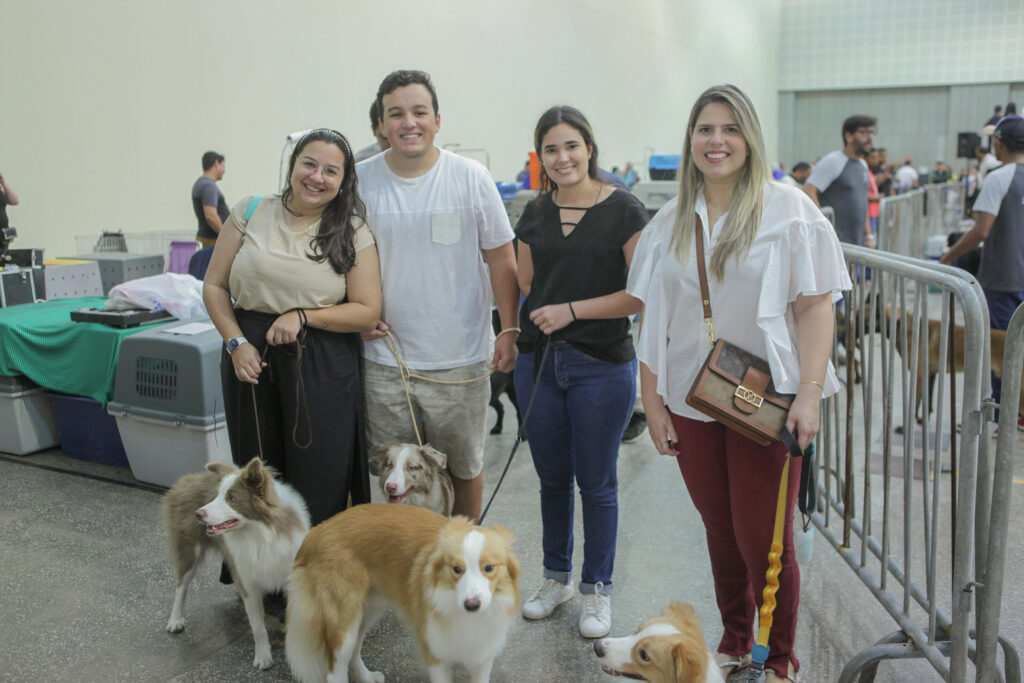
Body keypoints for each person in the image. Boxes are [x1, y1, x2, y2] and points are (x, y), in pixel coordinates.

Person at [627, 84, 850, 682]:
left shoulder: (789, 210)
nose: (716, 140)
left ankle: (776, 660)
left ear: (749, 139)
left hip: (767, 400)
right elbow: (655, 317)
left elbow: (815, 307)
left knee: (765, 541)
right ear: (690, 140)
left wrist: (809, 392)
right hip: (691, 397)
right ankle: (734, 639)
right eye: (705, 129)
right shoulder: (670, 221)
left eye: (729, 129)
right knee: (721, 532)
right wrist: (652, 401)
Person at [356, 70, 519, 522]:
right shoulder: (359, 182)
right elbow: (338, 258)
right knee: (393, 478)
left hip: (460, 361)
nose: (409, 123)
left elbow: (502, 260)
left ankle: (461, 555)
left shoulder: (470, 177)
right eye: (396, 114)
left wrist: (508, 328)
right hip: (385, 363)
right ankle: (403, 567)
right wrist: (355, 318)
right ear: (381, 125)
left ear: (437, 120)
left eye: (419, 112)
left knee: (464, 468)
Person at [513, 106, 647, 639]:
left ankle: (597, 591)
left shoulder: (626, 210)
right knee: (551, 480)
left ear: (589, 148)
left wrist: (571, 310)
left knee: (597, 482)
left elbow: (639, 294)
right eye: (551, 149)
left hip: (601, 364)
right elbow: (527, 284)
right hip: (540, 363)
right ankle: (556, 578)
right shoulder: (534, 211)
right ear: (540, 156)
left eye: (571, 146)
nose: (562, 157)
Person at [202, 128, 382, 525]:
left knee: (320, 475)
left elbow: (367, 311)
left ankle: (314, 574)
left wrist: (303, 316)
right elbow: (214, 286)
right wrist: (236, 344)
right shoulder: (250, 211)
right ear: (293, 165)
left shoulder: (351, 230)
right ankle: (261, 581)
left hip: (322, 362)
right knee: (258, 475)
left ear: (343, 181)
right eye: (309, 164)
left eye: (330, 171)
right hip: (250, 357)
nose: (317, 177)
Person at [941, 115, 1024, 432]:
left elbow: (981, 230)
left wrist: (948, 257)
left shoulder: (999, 177)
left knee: (1000, 352)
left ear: (998, 143)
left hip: (1002, 279)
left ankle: (1003, 414)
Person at [804, 115, 876, 248]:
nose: (870, 137)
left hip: (855, 243)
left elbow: (862, 200)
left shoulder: (862, 165)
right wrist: (825, 227)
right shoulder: (834, 161)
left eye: (871, 132)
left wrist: (868, 236)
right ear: (849, 136)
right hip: (834, 243)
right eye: (864, 132)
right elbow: (809, 191)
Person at [191, 151, 230, 248]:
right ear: (216, 163)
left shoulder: (200, 183)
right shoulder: (208, 186)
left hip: (206, 238)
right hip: (212, 241)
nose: (224, 171)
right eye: (223, 166)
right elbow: (211, 216)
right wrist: (225, 236)